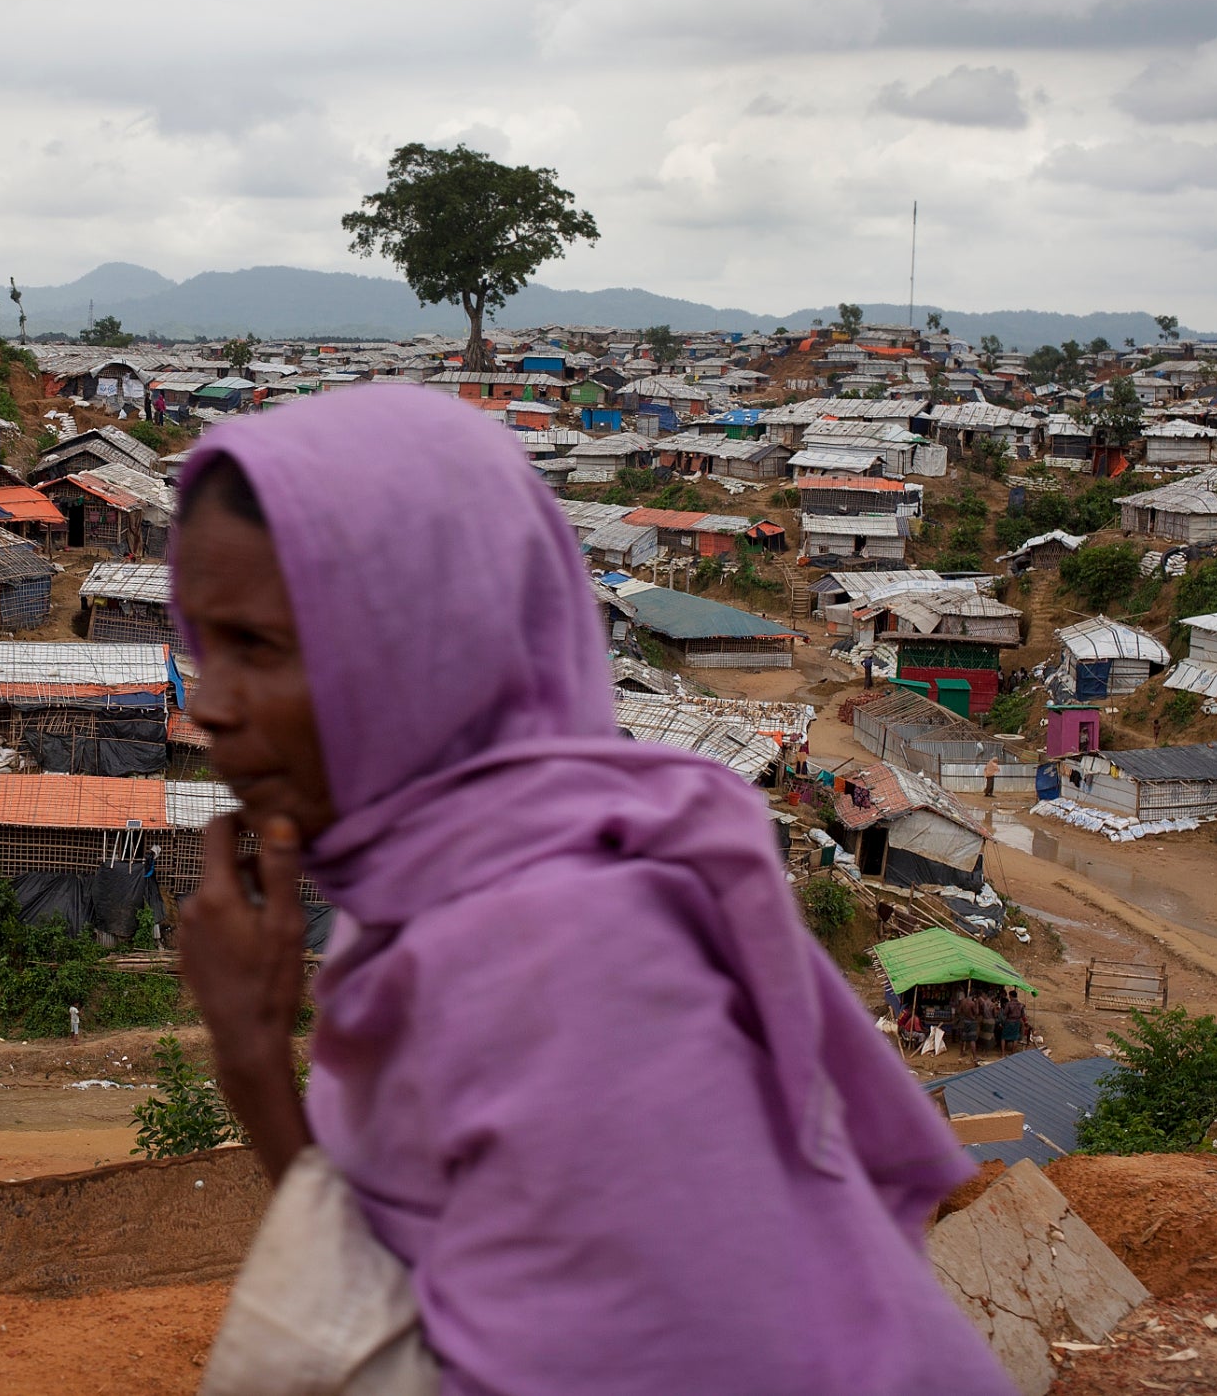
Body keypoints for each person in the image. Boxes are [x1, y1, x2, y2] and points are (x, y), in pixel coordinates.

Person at [172, 386, 1011, 1396]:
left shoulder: (558, 953)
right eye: (203, 643)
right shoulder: (434, 884)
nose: (209, 706)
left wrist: (255, 1060)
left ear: (417, 648)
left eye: (259, 647)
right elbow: (410, 1285)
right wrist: (253, 1054)